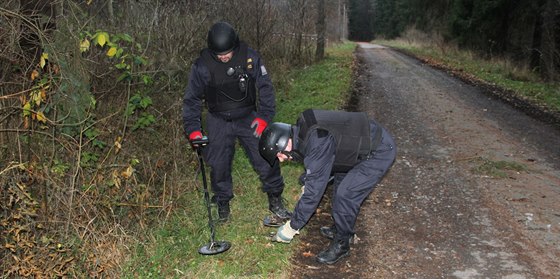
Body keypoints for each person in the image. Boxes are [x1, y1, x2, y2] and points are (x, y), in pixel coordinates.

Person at [183, 21, 290, 223]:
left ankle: (276, 199)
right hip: (217, 119)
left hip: (248, 118)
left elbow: (265, 87)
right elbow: (192, 99)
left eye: (227, 53)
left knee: (266, 157)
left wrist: (264, 117)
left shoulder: (249, 57)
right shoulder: (202, 66)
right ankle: (223, 203)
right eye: (219, 54)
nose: (223, 57)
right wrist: (193, 130)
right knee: (218, 164)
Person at [259, 109, 397, 264]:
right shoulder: (302, 129)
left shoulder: (317, 139)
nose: (282, 159)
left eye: (279, 154)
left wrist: (291, 227)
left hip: (378, 151)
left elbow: (313, 192)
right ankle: (340, 227)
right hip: (352, 149)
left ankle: (343, 243)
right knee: (339, 182)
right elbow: (319, 161)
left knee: (345, 195)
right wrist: (309, 179)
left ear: (284, 142)